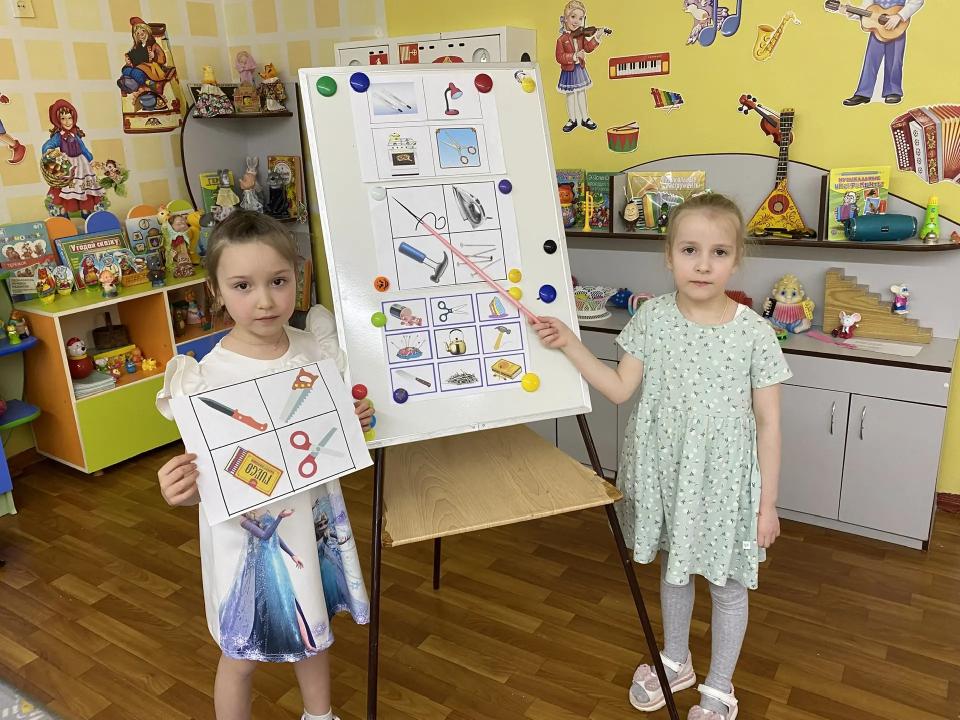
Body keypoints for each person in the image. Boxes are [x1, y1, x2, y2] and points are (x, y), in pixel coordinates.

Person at [532, 193, 791, 720]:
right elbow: (619, 389)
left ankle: (720, 687)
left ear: (736, 258)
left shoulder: (755, 334)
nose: (703, 264)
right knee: (675, 570)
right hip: (663, 475)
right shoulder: (651, 317)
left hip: (725, 486)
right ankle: (676, 661)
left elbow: (769, 425)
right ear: (668, 255)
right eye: (690, 250)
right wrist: (570, 343)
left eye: (719, 252)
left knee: (726, 583)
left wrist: (767, 505)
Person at [156, 211, 374, 720]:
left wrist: (353, 418)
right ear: (215, 291)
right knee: (240, 653)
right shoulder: (204, 379)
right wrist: (180, 488)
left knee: (314, 626)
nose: (265, 300)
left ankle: (320, 715)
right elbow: (205, 474)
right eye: (242, 285)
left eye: (278, 281)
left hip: (310, 518)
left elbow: (327, 433)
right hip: (248, 539)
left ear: (298, 277)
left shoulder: (314, 351)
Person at [842, 0, 923, 106]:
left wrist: (899, 16)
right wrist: (852, 12)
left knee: (895, 60)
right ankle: (863, 93)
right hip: (877, 28)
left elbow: (917, 1)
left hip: (897, 28)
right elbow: (867, 9)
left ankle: (893, 91)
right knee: (871, 60)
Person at [40, 100, 105, 217]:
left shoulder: (75, 134)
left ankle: (85, 211)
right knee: (67, 187)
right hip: (69, 164)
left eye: (69, 118)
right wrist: (49, 151)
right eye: (63, 119)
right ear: (58, 120)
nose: (67, 122)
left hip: (81, 163)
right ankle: (64, 212)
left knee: (83, 185)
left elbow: (83, 148)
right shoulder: (59, 136)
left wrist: (90, 159)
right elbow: (48, 145)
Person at [555, 0, 609, 132]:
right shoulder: (561, 39)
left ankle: (585, 118)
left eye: (580, 18)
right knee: (570, 94)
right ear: (565, 19)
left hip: (579, 69)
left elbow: (588, 48)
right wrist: (574, 56)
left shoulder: (580, 36)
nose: (576, 21)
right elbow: (559, 57)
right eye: (573, 17)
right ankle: (572, 119)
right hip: (568, 70)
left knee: (581, 93)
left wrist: (597, 36)